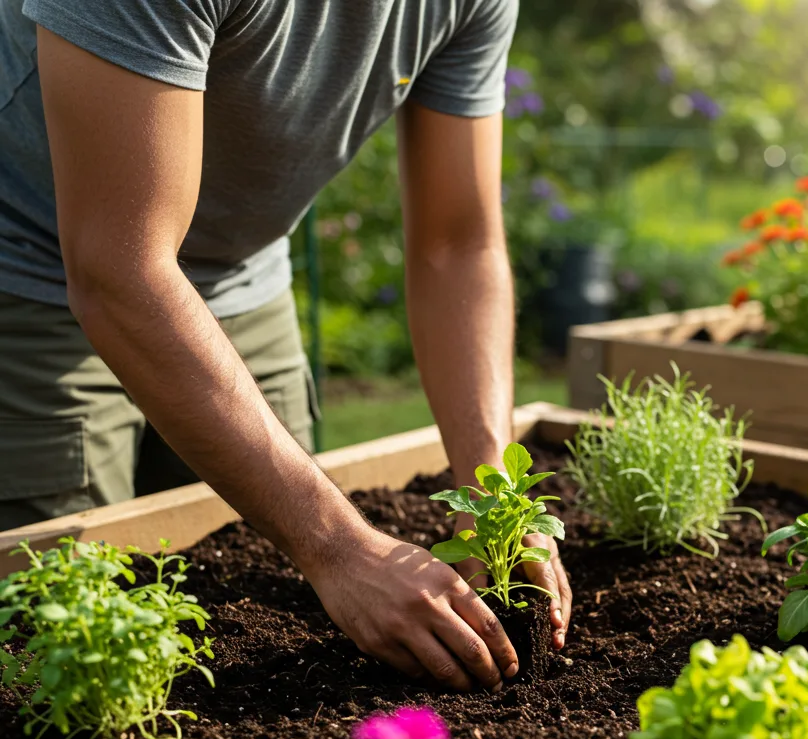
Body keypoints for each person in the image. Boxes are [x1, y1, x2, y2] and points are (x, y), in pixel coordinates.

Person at [0, 0, 571, 693]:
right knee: (51, 639)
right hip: (28, 270)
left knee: (278, 564)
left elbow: (459, 243)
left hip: (241, 276)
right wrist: (338, 545)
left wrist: (494, 497)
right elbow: (119, 269)